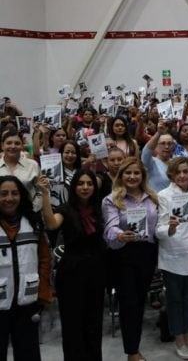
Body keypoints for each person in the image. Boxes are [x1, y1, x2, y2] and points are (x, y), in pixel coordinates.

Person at [41, 170, 106, 361]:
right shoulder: (66, 209)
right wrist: (45, 195)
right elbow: (52, 224)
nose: (85, 187)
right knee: (72, 325)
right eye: (80, 183)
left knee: (94, 324)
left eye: (89, 184)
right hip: (71, 272)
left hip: (95, 270)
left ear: (95, 187)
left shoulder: (100, 208)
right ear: (74, 187)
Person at [102, 157, 160, 361]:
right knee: (129, 303)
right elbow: (110, 226)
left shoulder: (152, 197)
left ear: (142, 176)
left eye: (136, 173)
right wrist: (119, 235)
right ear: (121, 175)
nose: (132, 176)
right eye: (128, 173)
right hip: (123, 254)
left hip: (147, 253)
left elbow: (157, 226)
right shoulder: (112, 199)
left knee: (139, 301)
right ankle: (132, 351)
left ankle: (134, 346)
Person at [156, 157, 188, 359]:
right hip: (173, 255)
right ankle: (178, 337)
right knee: (175, 300)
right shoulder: (164, 196)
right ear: (171, 175)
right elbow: (158, 230)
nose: (182, 175)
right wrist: (170, 227)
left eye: (186, 171)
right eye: (178, 172)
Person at [0, 176, 51, 361]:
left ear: (21, 196)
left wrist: (43, 293)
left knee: (28, 354)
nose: (9, 198)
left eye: (14, 193)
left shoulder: (33, 222)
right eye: (3, 194)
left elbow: (45, 259)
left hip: (27, 303)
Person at [0, 130, 41, 210]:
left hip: (28, 213)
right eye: (9, 143)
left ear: (22, 146)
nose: (13, 146)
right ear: (2, 146)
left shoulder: (33, 165)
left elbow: (41, 191)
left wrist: (33, 209)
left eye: (17, 143)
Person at [141, 120, 175, 192]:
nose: (166, 147)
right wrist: (159, 133)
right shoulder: (151, 162)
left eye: (170, 144)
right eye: (163, 143)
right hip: (156, 201)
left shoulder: (176, 162)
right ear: (155, 146)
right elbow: (146, 152)